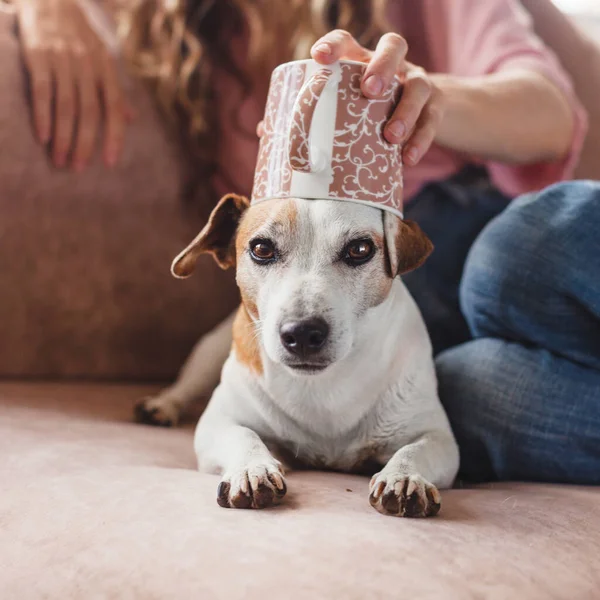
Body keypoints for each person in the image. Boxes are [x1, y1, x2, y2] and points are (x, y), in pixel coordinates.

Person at [9, 0, 600, 483]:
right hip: (420, 345)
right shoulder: (181, 32)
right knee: (483, 395)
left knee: (513, 256)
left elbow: (550, 112)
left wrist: (419, 97)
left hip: (479, 234)